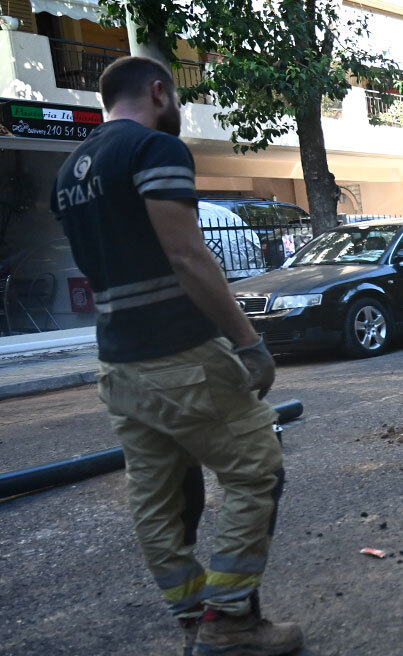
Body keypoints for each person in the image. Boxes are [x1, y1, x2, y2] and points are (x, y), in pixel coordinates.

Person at [50, 57, 302, 656]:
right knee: (257, 472)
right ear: (159, 91)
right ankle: (230, 623)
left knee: (156, 497)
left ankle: (193, 618)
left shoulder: (67, 173)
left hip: (119, 365)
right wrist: (249, 343)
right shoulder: (153, 149)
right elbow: (187, 255)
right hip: (180, 354)